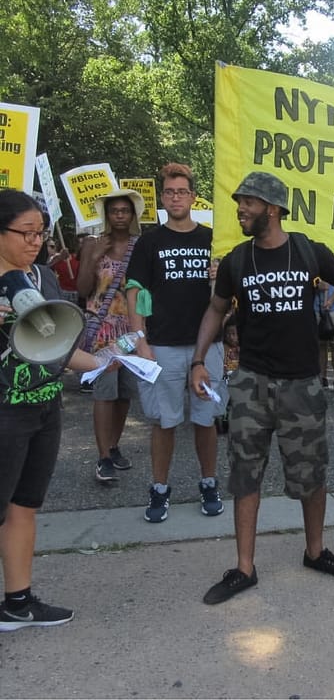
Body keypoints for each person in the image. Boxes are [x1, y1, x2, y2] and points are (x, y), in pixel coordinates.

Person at [190, 171, 334, 605]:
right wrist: (199, 360)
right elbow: (216, 310)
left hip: (302, 384)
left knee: (312, 473)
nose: (240, 210)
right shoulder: (236, 260)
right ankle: (244, 568)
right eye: (239, 203)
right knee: (245, 473)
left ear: (272, 208)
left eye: (248, 203)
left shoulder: (309, 251)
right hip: (251, 381)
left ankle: (315, 552)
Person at [0, 189, 104, 631]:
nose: (35, 241)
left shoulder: (44, 278)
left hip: (43, 407)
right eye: (25, 233)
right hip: (4, 413)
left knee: (24, 506)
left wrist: (108, 361)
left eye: (40, 232)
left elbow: (62, 348)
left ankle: (17, 603)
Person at [126, 163, 225, 523]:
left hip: (207, 347)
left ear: (193, 196)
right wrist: (140, 340)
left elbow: (230, 295)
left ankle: (209, 482)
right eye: (169, 192)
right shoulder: (150, 242)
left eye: (182, 191)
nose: (176, 197)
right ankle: (159, 489)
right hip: (162, 345)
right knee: (164, 422)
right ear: (161, 199)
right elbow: (135, 292)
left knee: (206, 419)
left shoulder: (213, 238)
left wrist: (220, 274)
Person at [77, 189, 144, 483]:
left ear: (132, 215)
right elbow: (82, 289)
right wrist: (94, 257)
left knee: (124, 394)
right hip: (102, 329)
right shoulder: (93, 243)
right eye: (114, 210)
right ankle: (103, 456)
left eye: (124, 210)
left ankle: (115, 446)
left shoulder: (139, 246)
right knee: (104, 394)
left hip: (130, 330)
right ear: (106, 214)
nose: (119, 215)